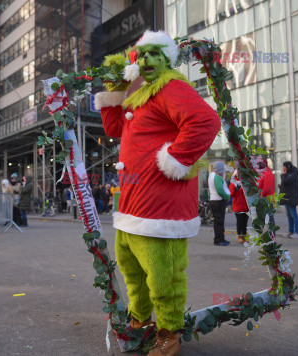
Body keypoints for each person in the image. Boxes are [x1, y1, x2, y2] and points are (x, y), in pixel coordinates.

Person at [95, 30, 220, 355]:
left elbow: (206, 121)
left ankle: (168, 334)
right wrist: (115, 89)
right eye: (141, 55)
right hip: (131, 204)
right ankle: (140, 321)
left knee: (164, 275)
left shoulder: (171, 87)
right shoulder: (141, 97)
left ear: (166, 59)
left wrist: (175, 159)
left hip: (161, 206)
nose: (147, 60)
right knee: (131, 268)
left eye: (155, 54)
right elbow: (112, 129)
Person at [208, 161, 231, 246]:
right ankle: (219, 240)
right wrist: (227, 197)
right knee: (219, 222)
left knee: (218, 222)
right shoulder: (217, 177)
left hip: (215, 200)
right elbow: (220, 190)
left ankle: (219, 239)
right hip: (218, 201)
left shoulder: (212, 175)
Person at [279, 161, 298, 238]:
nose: (283, 168)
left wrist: (282, 175)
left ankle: (297, 232)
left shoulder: (293, 174)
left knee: (294, 215)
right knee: (289, 215)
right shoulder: (288, 173)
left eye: (284, 166)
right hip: (287, 197)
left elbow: (286, 181)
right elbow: (286, 183)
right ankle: (290, 232)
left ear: (287, 167)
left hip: (291, 197)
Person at [229, 170, 249, 244]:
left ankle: (244, 236)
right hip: (238, 205)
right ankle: (239, 236)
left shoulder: (246, 181)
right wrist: (235, 190)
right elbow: (230, 194)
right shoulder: (233, 182)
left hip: (246, 205)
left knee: (245, 222)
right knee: (239, 222)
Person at [257, 159, 276, 229]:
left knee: (269, 220)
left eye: (259, 164)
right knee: (267, 219)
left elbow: (267, 188)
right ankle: (269, 236)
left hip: (267, 199)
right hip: (265, 199)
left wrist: (260, 195)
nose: (258, 166)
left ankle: (271, 236)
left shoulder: (267, 173)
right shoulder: (264, 173)